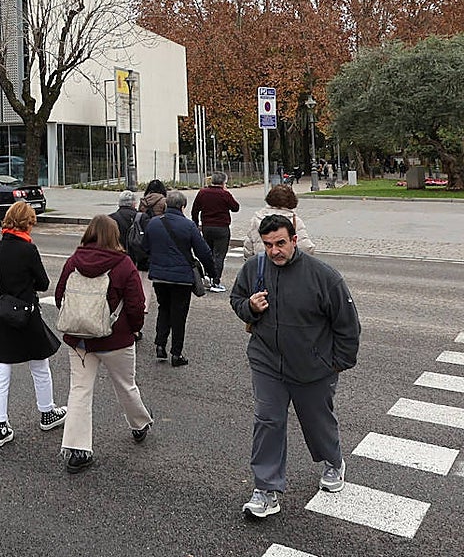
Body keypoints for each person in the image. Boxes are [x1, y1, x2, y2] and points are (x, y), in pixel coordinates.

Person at [230, 215, 360, 519]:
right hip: (267, 362)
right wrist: (249, 307)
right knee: (267, 422)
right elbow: (236, 299)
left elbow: (347, 324)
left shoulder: (323, 276)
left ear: (294, 240)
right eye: (268, 245)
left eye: (280, 243)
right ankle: (266, 490)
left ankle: (333, 461)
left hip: (312, 367)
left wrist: (337, 363)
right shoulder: (254, 268)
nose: (274, 251)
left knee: (317, 421)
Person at [54, 215, 152, 474]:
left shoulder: (74, 260)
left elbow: (60, 296)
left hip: (79, 340)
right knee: (126, 385)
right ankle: (139, 424)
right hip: (115, 339)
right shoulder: (123, 264)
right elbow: (136, 304)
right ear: (114, 235)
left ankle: (78, 450)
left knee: (79, 391)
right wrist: (134, 329)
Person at [0, 201, 68, 447]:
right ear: (27, 224)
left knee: (1, 371)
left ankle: (0, 427)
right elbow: (43, 283)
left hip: (1, 314)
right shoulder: (28, 249)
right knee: (40, 365)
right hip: (26, 315)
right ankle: (47, 412)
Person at [144, 191, 217, 367]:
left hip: (159, 276)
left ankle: (160, 345)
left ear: (166, 205)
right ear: (183, 206)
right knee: (179, 315)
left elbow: (145, 246)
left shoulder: (153, 223)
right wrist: (212, 272)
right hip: (182, 278)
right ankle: (176, 354)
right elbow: (203, 252)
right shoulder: (189, 225)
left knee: (163, 309)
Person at [191, 171, 239, 293]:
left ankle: (208, 275)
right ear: (223, 183)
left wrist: (195, 223)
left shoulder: (202, 193)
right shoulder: (224, 194)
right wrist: (226, 192)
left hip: (207, 227)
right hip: (222, 227)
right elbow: (235, 207)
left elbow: (195, 209)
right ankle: (215, 281)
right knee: (219, 255)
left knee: (208, 253)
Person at [242, 184, 316, 259]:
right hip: (285, 262)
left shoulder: (256, 219)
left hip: (262, 262)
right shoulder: (295, 221)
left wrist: (252, 262)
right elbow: (305, 247)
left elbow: (248, 248)